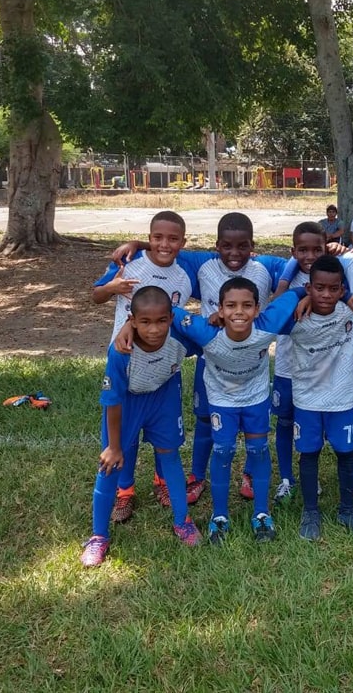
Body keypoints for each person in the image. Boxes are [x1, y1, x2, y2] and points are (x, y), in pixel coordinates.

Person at [112, 213, 288, 505]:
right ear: (217, 245)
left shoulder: (266, 266)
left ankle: (248, 473)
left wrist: (290, 292)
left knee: (253, 423)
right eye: (226, 247)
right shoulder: (202, 264)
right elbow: (168, 247)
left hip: (251, 362)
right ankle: (196, 476)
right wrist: (138, 242)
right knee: (206, 418)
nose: (234, 254)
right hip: (213, 358)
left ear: (252, 245)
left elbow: (303, 264)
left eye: (243, 246)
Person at [169, 277, 303, 544]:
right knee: (223, 450)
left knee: (258, 450)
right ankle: (219, 516)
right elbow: (165, 309)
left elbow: (296, 292)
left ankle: (262, 513)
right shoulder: (205, 331)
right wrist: (129, 324)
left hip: (255, 398)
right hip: (221, 400)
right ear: (219, 309)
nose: (239, 312)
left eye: (247, 306)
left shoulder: (269, 324)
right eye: (230, 305)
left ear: (257, 309)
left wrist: (306, 295)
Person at [80, 286, 201, 568]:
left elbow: (208, 335)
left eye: (161, 321)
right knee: (111, 465)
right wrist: (113, 445)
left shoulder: (180, 335)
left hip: (164, 396)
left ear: (171, 319)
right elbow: (113, 399)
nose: (154, 329)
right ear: (132, 321)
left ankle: (182, 521)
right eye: (145, 322)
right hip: (129, 402)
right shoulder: (121, 351)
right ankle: (99, 536)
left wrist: (217, 321)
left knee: (170, 456)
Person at [91, 211, 199, 523]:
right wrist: (113, 287)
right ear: (149, 238)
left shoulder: (185, 271)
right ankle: (124, 492)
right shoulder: (129, 262)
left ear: (182, 242)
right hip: (127, 360)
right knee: (125, 438)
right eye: (157, 238)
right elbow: (96, 295)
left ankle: (161, 483)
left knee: (163, 437)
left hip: (165, 366)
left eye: (173, 239)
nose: (165, 244)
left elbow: (222, 257)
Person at [279, 255, 353, 541]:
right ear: (309, 288)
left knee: (346, 454)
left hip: (342, 400)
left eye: (334, 289)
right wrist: (296, 295)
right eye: (319, 288)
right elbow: (269, 307)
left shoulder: (352, 312)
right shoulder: (294, 317)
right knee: (309, 454)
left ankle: (347, 510)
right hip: (307, 401)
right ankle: (311, 511)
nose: (326, 295)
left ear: (343, 290)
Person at [268, 221, 328, 506]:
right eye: (302, 250)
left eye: (317, 249)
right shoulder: (287, 277)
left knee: (309, 422)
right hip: (287, 366)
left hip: (318, 368)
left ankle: (308, 475)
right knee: (285, 420)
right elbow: (275, 308)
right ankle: (286, 478)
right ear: (293, 251)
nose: (310, 255)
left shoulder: (331, 276)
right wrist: (292, 288)